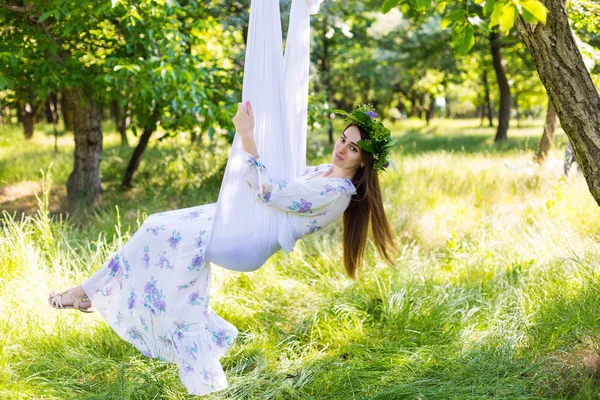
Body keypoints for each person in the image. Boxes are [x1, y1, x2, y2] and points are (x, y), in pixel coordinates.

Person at [47, 101, 397, 395]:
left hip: (248, 239)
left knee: (160, 235)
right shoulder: (325, 171)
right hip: (241, 220)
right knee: (156, 229)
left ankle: (88, 293)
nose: (341, 148)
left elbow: (271, 191)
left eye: (353, 148)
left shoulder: (337, 193)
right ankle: (89, 292)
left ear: (365, 160)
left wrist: (247, 135)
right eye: (343, 138)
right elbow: (277, 176)